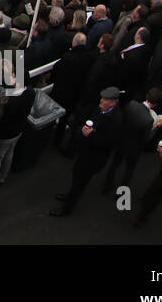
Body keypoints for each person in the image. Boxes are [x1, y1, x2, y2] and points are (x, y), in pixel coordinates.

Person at [49, 87, 123, 217]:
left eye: (105, 99)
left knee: (80, 183)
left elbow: (108, 143)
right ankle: (69, 196)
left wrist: (90, 135)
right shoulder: (102, 110)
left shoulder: (116, 121)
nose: (101, 101)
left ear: (113, 103)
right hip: (86, 152)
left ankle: (67, 208)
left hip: (93, 159)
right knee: (76, 177)